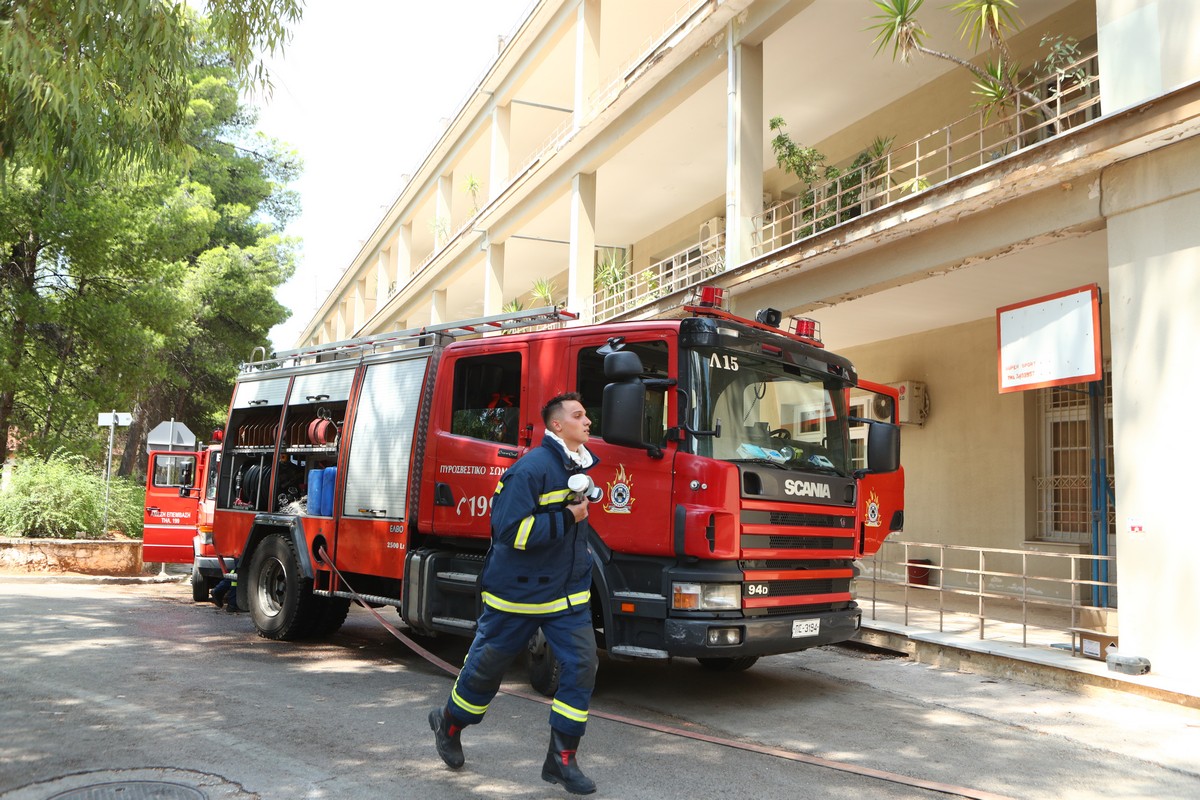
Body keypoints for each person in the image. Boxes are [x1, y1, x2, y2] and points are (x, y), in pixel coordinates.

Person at [429, 392, 600, 795]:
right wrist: (566, 516)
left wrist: (580, 509)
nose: (588, 421)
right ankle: (449, 724)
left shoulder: (579, 464)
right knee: (485, 672)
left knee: (582, 667)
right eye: (579, 415)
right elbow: (510, 532)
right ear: (557, 425)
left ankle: (561, 760)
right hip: (516, 596)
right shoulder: (530, 470)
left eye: (586, 413)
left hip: (567, 595)